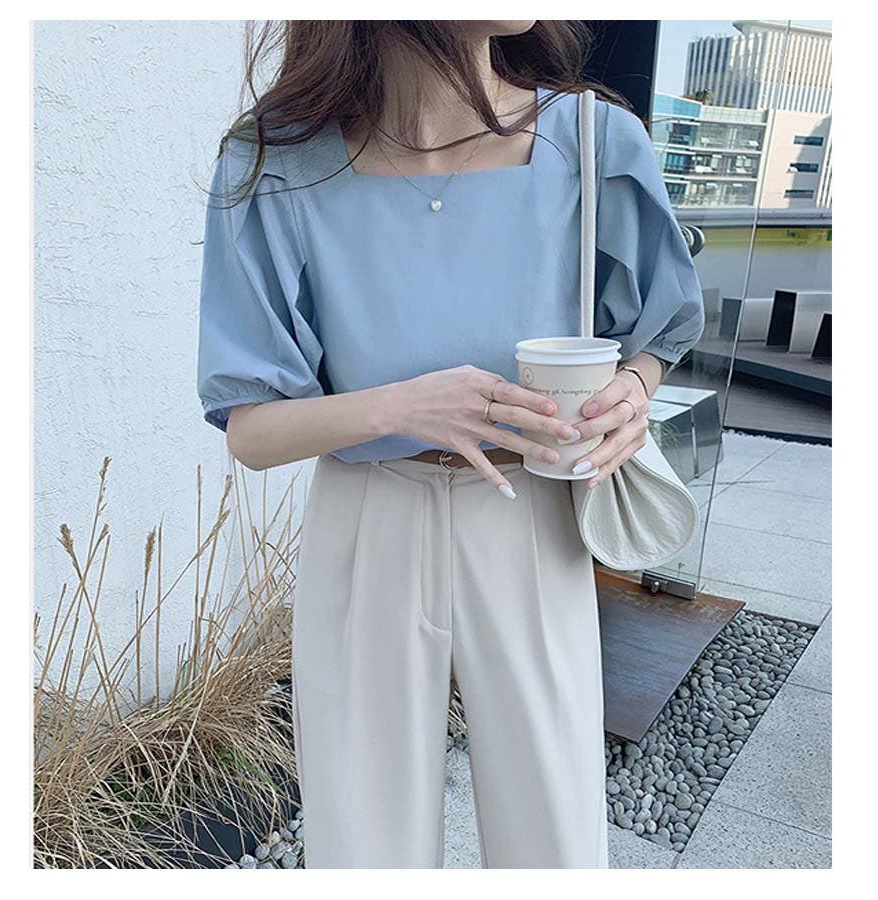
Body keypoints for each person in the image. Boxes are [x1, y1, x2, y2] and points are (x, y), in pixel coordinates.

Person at [196, 20, 705, 868]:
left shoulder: (592, 139)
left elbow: (661, 327)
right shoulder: (277, 161)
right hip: (367, 517)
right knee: (361, 838)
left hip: (534, 512)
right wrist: (404, 404)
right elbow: (250, 430)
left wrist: (634, 390)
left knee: (555, 830)